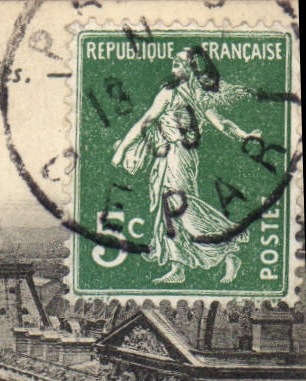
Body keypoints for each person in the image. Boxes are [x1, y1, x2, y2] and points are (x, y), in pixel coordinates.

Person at [110, 45, 260, 285]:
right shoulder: (167, 93)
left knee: (180, 207)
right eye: (174, 61)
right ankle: (178, 266)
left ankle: (228, 249)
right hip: (167, 157)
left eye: (179, 62)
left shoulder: (198, 96)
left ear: (193, 69)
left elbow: (222, 123)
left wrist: (244, 135)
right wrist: (122, 149)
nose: (174, 66)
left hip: (181, 156)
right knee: (168, 212)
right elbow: (144, 123)